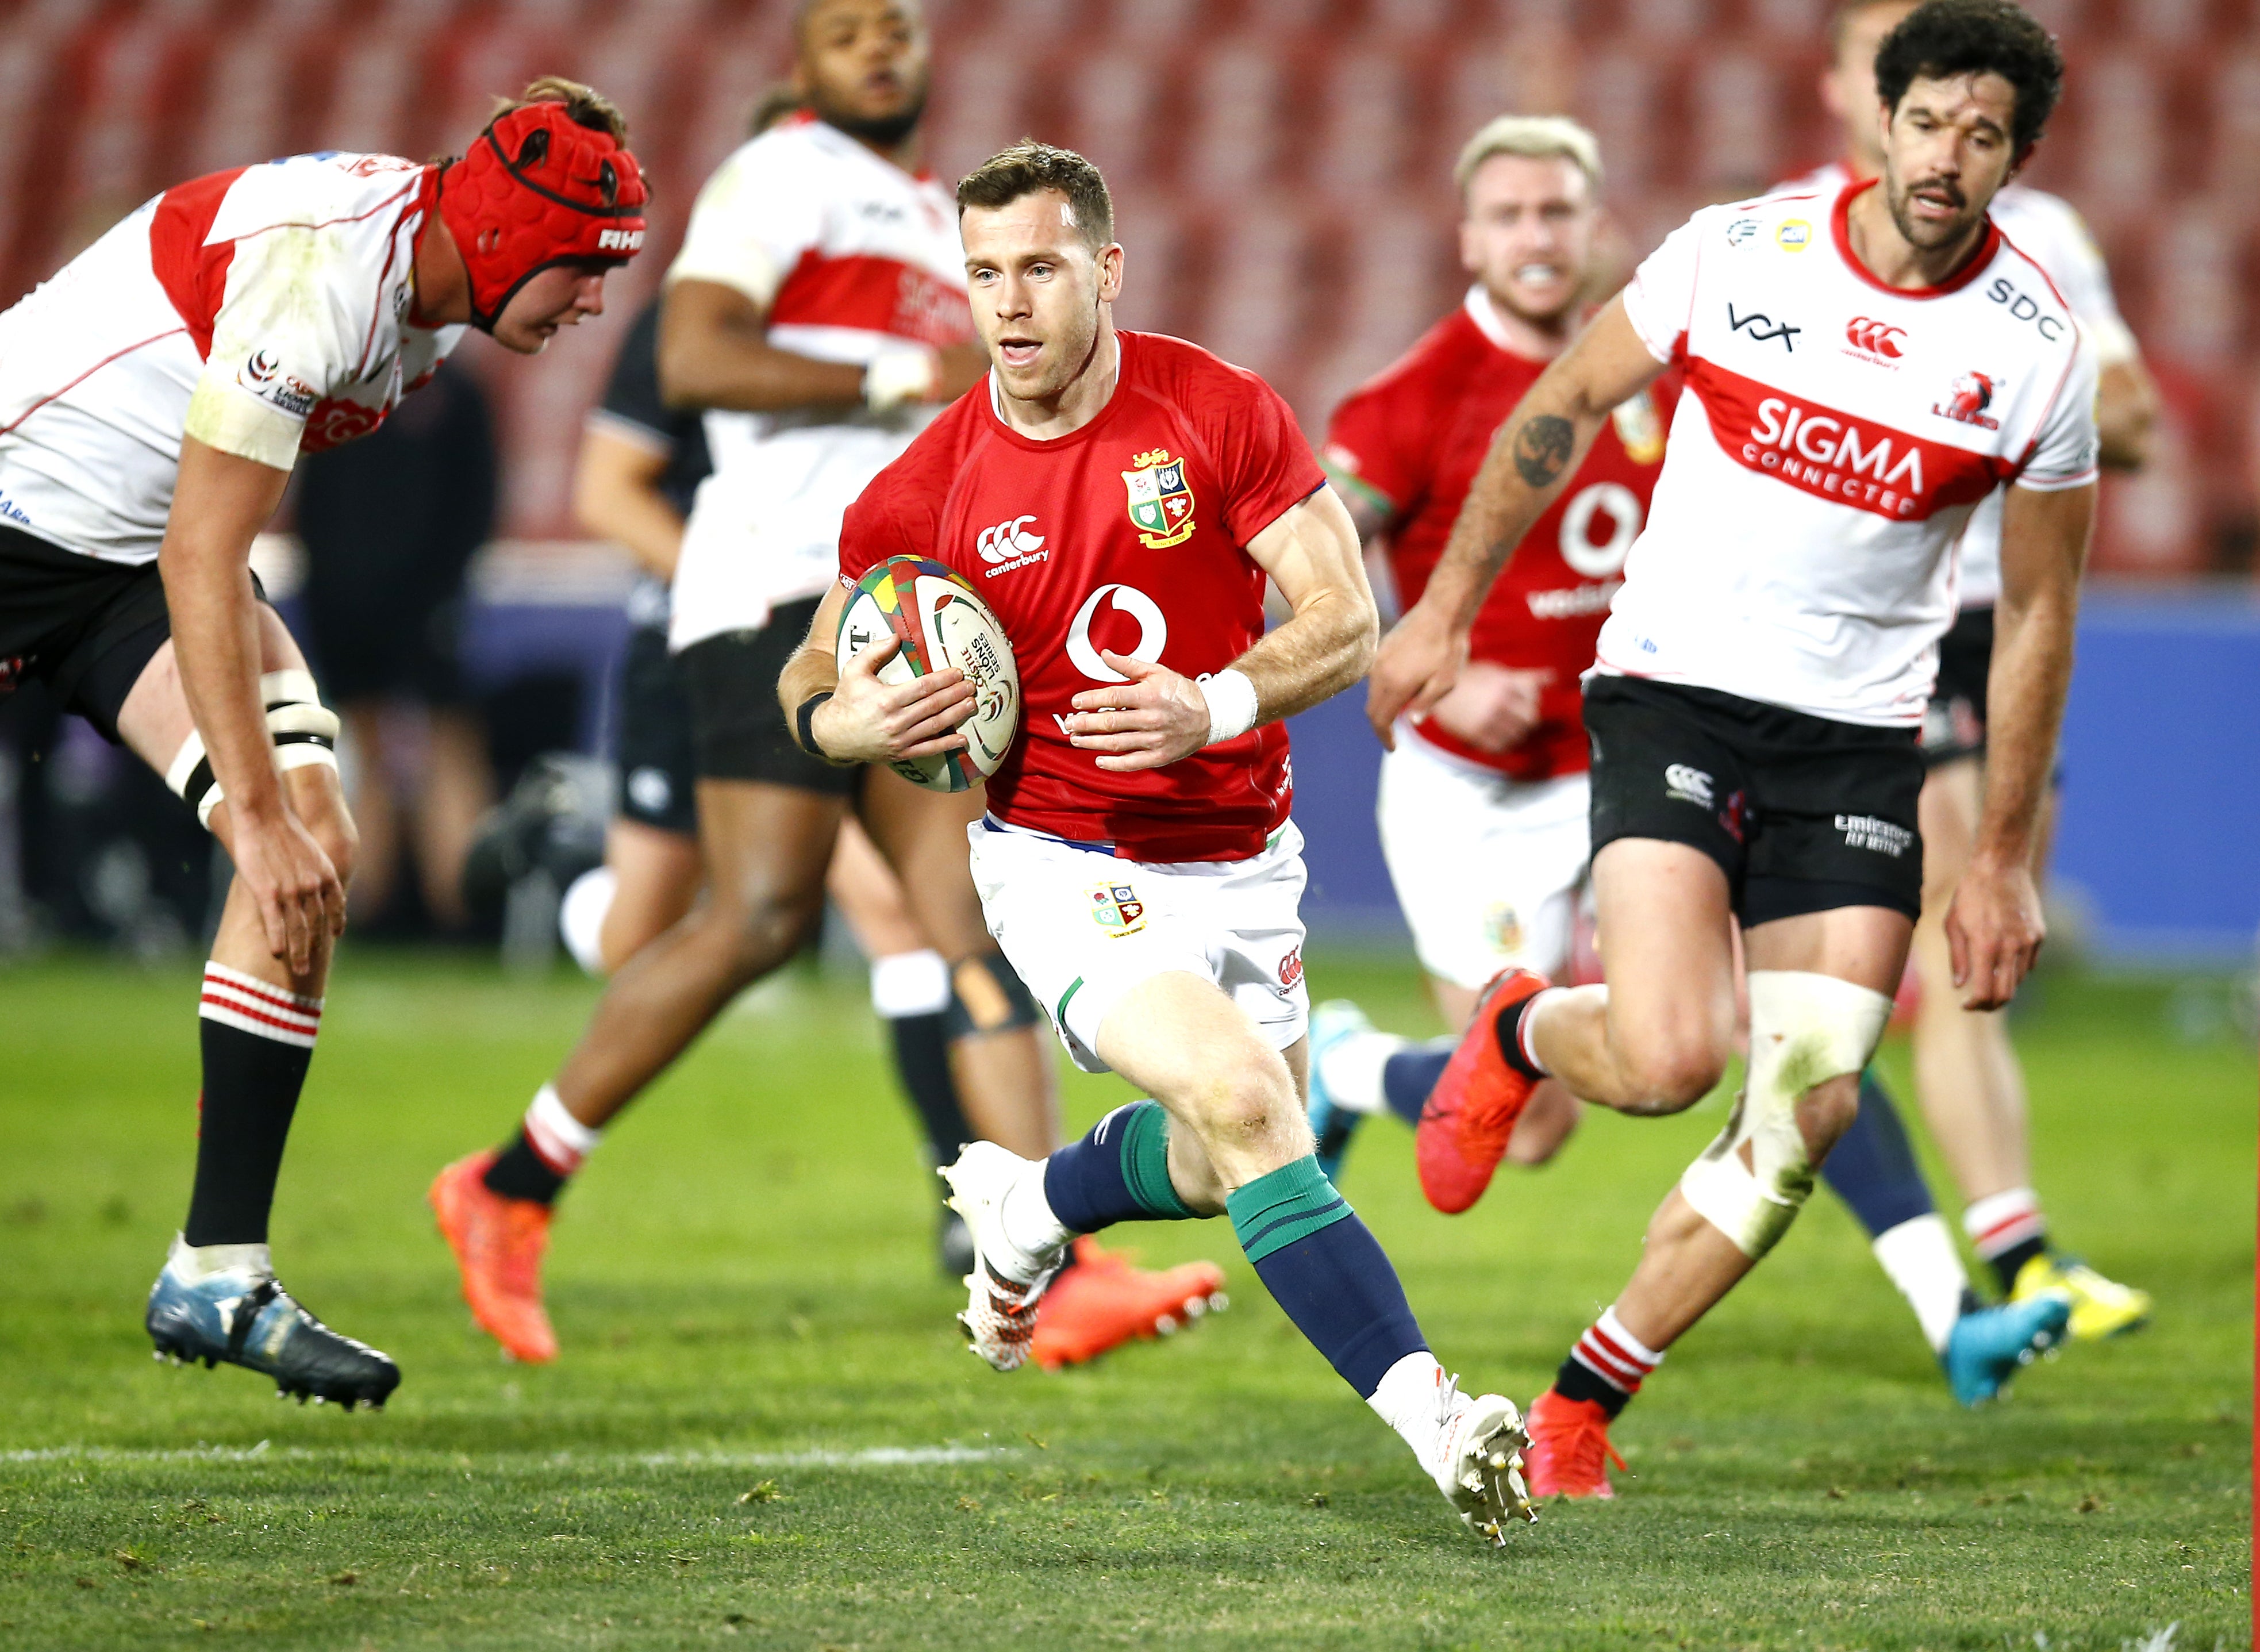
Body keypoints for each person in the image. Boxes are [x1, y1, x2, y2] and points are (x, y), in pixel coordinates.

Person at [430, 0, 1225, 1371]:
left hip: (901, 609)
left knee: (968, 922)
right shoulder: (777, 176)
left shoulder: (931, 218)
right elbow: (690, 357)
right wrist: (894, 371)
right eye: (845, 28)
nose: (877, 44)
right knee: (752, 918)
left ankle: (1054, 1262)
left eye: (896, 27)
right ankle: (508, 1184)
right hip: (776, 595)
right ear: (799, 62)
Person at [1366, 0, 2090, 1497]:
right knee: (1663, 1058)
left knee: (1807, 1105)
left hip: (1853, 752)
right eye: (1928, 120)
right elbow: (1563, 401)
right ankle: (1515, 1029)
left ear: (2016, 157)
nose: (1948, 157)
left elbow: (2032, 609)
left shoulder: (2034, 355)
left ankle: (1579, 1401)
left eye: (1984, 135)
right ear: (1877, 120)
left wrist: (2003, 856)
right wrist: (1440, 610)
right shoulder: (1737, 253)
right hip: (1673, 698)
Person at [783, 140, 1539, 1545]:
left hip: (1242, 850)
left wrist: (1218, 701)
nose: (1008, 304)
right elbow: (809, 678)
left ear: (1105, 270)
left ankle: (1027, 1204)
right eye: (985, 274)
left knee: (1220, 1160)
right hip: (1062, 857)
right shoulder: (925, 485)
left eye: (1040, 269)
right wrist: (856, 725)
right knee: (1249, 1105)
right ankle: (1437, 1415)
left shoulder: (1216, 411)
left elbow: (1343, 616)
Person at [0, 77, 649, 1408]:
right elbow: (207, 549)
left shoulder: (431, 290)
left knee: (313, 838)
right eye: (583, 270)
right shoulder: (326, 276)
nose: (590, 302)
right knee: (275, 830)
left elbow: (186, 548)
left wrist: (266, 819)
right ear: (515, 233)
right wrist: (246, 811)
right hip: (30, 527)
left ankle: (216, 1268)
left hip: (116, 564)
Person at [1766, 0, 2153, 1347]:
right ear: (1852, 94)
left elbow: (2133, 417)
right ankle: (2013, 1248)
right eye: (1897, 80)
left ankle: (1982, 1227)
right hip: (1889, 619)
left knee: (1985, 933)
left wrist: (2000, 396)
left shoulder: (2041, 243)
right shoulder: (1795, 239)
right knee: (1945, 913)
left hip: (2014, 613)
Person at [563, 281, 979, 1277]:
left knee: (898, 908)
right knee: (640, 930)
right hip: (710, 635)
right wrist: (732, 590)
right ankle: (561, 856)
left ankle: (965, 1192)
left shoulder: (889, 304)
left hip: (833, 640)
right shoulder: (699, 321)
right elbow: (605, 488)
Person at [1304, 114, 1670, 1181]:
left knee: (1701, 1022)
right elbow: (1304, 577)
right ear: (1467, 241)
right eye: (1507, 216)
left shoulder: (1652, 373)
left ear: (1595, 226)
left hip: (1617, 772)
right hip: (1475, 797)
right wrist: (1427, 678)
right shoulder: (1408, 401)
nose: (1535, 236)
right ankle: (1348, 1062)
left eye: (1556, 210)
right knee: (1534, 1125)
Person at [295, 363, 498, 935]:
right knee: (375, 747)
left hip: (412, 595)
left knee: (442, 743)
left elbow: (477, 498)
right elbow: (318, 501)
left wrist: (446, 587)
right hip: (353, 597)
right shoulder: (345, 386)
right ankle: (374, 914)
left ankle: (459, 913)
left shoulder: (452, 392)